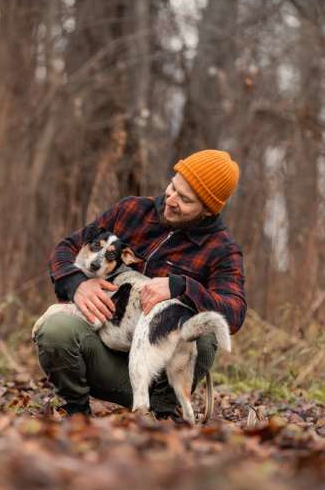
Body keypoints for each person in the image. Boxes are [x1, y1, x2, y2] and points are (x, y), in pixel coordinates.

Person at [34, 149, 247, 420]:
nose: (170, 200)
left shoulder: (222, 249)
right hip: (106, 357)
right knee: (55, 329)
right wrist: (77, 284)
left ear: (207, 209)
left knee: (202, 332)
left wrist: (181, 287)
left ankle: (163, 415)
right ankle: (77, 411)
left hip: (161, 372)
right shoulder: (131, 211)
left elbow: (234, 312)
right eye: (173, 187)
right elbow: (66, 248)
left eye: (184, 199)